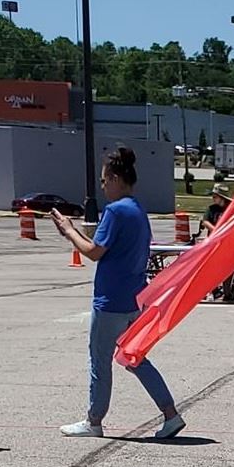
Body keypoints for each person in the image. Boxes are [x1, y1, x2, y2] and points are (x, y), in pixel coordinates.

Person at [51, 147, 184, 441]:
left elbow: (93, 252)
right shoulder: (138, 210)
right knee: (135, 358)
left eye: (103, 181)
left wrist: (69, 231)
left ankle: (94, 420)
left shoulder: (115, 210)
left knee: (100, 361)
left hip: (110, 300)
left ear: (114, 178)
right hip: (133, 299)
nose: (102, 187)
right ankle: (170, 413)